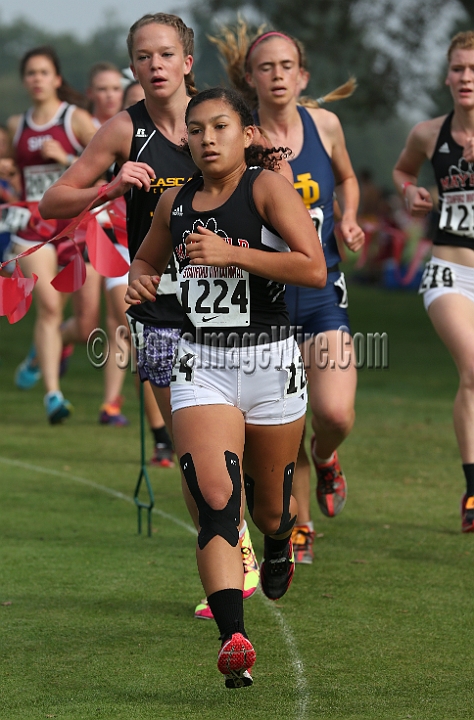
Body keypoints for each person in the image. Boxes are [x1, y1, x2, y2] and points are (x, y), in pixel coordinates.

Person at [39, 13, 260, 618]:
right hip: (158, 309)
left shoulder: (219, 119)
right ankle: (230, 555)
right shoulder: (122, 130)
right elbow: (53, 200)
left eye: (165, 55)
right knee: (193, 454)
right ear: (133, 66)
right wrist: (105, 191)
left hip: (236, 307)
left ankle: (266, 524)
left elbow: (267, 182)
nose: (155, 66)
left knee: (251, 451)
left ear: (188, 62)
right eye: (143, 57)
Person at [125, 86, 326, 687]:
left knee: (269, 509)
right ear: (184, 139)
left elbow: (312, 266)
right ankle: (233, 638)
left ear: (244, 134)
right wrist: (139, 282)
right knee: (217, 502)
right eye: (196, 129)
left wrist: (236, 254)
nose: (207, 138)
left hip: (271, 363)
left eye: (220, 127)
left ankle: (280, 541)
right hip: (201, 364)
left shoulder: (266, 188)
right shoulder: (175, 204)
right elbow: (145, 263)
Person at [210, 22, 365, 563]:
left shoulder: (325, 124)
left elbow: (345, 178)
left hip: (321, 295)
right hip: (264, 303)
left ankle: (327, 458)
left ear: (302, 76)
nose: (277, 76)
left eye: (286, 66)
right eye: (265, 67)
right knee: (284, 422)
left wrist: (348, 219)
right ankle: (298, 524)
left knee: (335, 413)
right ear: (249, 78)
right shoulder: (238, 135)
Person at [393, 30, 474, 533]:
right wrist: (410, 193)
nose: (467, 78)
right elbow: (404, 172)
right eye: (460, 69)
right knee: (473, 368)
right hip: (448, 272)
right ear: (447, 76)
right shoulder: (429, 133)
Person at [7, 45, 97, 422]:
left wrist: (65, 160)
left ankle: (41, 349)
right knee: (47, 307)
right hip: (32, 228)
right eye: (31, 73)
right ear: (25, 80)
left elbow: (107, 168)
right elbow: (13, 169)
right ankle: (53, 397)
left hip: (76, 227)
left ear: (57, 79)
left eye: (44, 72)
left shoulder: (75, 119)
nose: (37, 79)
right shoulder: (16, 124)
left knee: (89, 323)